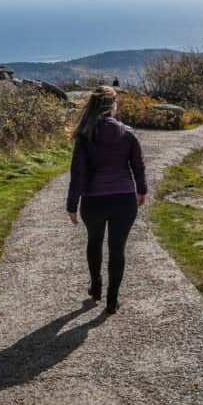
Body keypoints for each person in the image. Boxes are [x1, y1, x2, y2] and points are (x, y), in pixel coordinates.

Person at [67, 86, 147, 313]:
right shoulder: (128, 133)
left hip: (94, 201)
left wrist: (72, 205)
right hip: (124, 199)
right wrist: (141, 190)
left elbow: (78, 173)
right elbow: (138, 166)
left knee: (94, 241)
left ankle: (96, 287)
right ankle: (112, 301)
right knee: (117, 248)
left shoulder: (85, 135)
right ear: (113, 105)